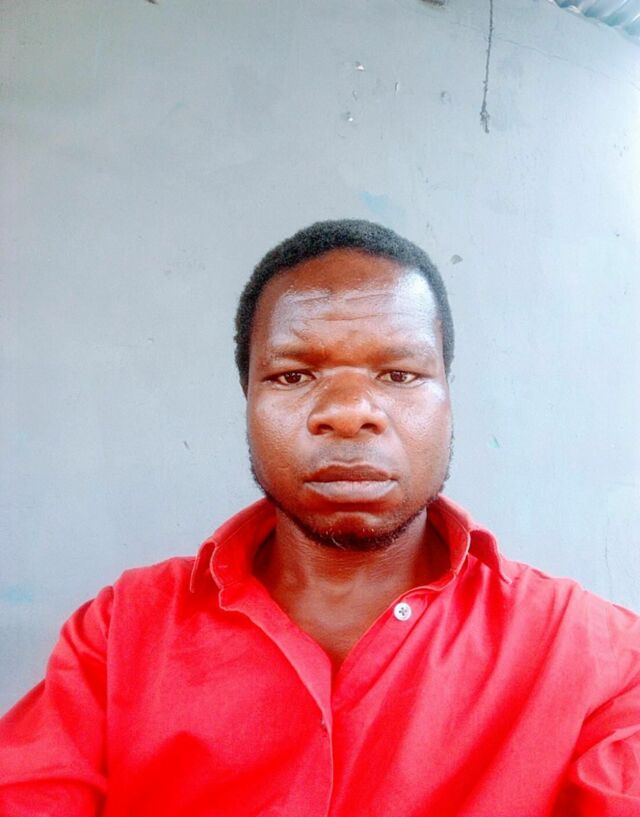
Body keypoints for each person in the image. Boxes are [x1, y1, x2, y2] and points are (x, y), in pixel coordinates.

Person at [0, 219, 638, 816]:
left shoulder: (598, 659)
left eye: (399, 373)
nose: (349, 411)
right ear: (247, 399)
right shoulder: (120, 634)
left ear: (448, 395)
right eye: (294, 375)